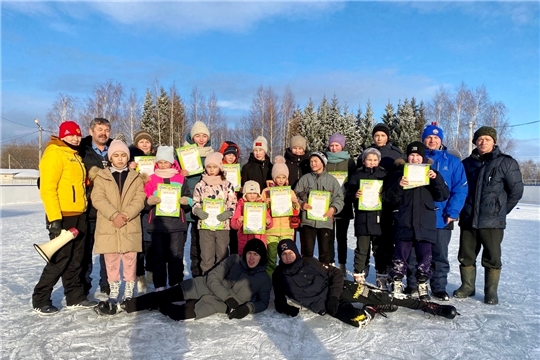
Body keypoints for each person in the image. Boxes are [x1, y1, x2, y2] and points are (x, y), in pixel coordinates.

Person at [272, 239, 458, 328]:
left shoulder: (309, 262)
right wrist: (288, 310)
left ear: (296, 252)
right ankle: (373, 308)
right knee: (358, 321)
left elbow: (336, 273)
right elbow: (280, 299)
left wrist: (334, 296)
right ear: (280, 257)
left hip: (340, 290)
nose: (288, 256)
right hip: (325, 306)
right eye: (284, 254)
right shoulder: (279, 275)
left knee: (387, 296)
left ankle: (426, 306)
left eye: (290, 252)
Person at [95, 239, 272, 322]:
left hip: (216, 304)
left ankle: (158, 306)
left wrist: (247, 308)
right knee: (163, 295)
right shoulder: (234, 259)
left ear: (261, 257)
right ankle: (121, 306)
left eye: (256, 255)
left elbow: (263, 302)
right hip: (200, 286)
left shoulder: (264, 278)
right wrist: (229, 298)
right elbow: (212, 277)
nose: (252, 258)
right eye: (249, 253)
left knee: (178, 314)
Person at [32, 121, 97, 314]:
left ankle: (75, 296)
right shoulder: (54, 153)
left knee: (77, 258)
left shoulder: (74, 154)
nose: (75, 138)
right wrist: (54, 219)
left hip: (79, 213)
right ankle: (40, 298)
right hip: (63, 216)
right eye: (70, 135)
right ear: (62, 136)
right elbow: (47, 189)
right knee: (60, 258)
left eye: (78, 134)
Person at [454, 126, 523, 305]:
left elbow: (516, 191)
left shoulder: (507, 163)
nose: (483, 142)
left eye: (487, 139)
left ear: (494, 141)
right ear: (475, 142)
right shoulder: (467, 164)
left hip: (492, 222)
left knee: (492, 257)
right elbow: (459, 189)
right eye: (480, 139)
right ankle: (467, 286)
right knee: (466, 255)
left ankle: (490, 291)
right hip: (469, 219)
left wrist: (500, 211)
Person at [406, 124, 468, 300]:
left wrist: (453, 211)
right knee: (414, 254)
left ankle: (439, 287)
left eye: (436, 138)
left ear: (441, 140)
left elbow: (460, 188)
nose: (432, 141)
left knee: (439, 255)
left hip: (442, 217)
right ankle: (412, 285)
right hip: (417, 217)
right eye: (428, 137)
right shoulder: (416, 159)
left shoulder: (453, 162)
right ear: (423, 139)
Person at [385, 142, 450, 300]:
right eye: (412, 155)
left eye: (418, 155)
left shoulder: (431, 173)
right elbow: (389, 198)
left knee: (425, 256)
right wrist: (399, 185)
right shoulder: (398, 174)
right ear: (407, 156)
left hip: (425, 223)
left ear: (423, 157)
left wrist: (436, 180)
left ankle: (422, 286)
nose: (414, 158)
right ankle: (397, 282)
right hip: (404, 222)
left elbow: (442, 195)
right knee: (400, 255)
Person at [89, 140, 146, 303]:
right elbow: (98, 198)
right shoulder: (102, 176)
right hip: (109, 224)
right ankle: (113, 288)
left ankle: (129, 288)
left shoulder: (135, 177)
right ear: (110, 158)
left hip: (129, 224)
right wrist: (114, 215)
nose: (120, 159)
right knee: (111, 259)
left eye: (123, 155)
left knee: (130, 258)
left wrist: (126, 215)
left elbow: (139, 199)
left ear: (127, 158)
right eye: (116, 155)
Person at [360, 123, 406, 289]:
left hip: (387, 204)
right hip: (367, 204)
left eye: (382, 135)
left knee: (385, 241)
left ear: (388, 137)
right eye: (376, 135)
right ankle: (362, 272)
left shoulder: (395, 154)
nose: (379, 138)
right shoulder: (366, 153)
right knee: (365, 241)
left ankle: (384, 273)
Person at [144, 146, 192, 291]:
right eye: (161, 162)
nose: (163, 164)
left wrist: (186, 201)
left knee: (176, 256)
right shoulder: (151, 178)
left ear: (172, 162)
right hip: (158, 224)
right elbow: (144, 200)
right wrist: (149, 201)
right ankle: (160, 286)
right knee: (158, 256)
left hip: (177, 224)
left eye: (166, 162)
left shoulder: (180, 178)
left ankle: (176, 284)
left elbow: (189, 198)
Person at [79, 117, 113, 295]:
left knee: (107, 250)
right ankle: (84, 287)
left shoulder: (115, 150)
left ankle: (107, 285)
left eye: (106, 130)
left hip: (110, 210)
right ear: (91, 131)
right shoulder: (82, 151)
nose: (103, 133)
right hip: (89, 210)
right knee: (86, 251)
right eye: (99, 129)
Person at [345, 148, 388, 284]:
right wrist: (355, 195)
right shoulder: (357, 175)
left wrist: (383, 195)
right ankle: (359, 274)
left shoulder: (384, 175)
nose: (372, 162)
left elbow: (390, 195)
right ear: (363, 161)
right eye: (369, 160)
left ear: (379, 161)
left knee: (379, 249)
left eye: (375, 160)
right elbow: (349, 194)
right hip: (362, 218)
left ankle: (381, 276)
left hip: (378, 218)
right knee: (362, 249)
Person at [294, 152, 344, 267]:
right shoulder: (305, 179)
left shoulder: (332, 180)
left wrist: (333, 208)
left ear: (323, 163)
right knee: (307, 250)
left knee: (325, 251)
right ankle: (306, 273)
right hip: (308, 221)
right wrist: (302, 204)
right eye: (311, 161)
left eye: (316, 161)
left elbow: (339, 198)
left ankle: (325, 275)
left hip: (325, 221)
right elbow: (294, 196)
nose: (313, 164)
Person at [192, 152, 237, 274]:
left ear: (220, 168)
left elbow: (233, 203)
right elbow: (195, 201)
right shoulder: (200, 185)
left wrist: (228, 213)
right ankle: (207, 281)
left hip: (223, 226)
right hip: (205, 226)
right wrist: (197, 210)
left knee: (222, 256)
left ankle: (221, 281)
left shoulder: (228, 185)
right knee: (206, 257)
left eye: (215, 167)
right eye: (209, 167)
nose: (211, 170)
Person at [182, 121, 214, 277]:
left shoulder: (212, 155)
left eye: (204, 136)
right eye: (197, 136)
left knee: (198, 243)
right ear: (191, 137)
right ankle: (176, 276)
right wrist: (179, 172)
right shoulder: (182, 154)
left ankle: (198, 275)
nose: (201, 139)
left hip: (204, 205)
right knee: (179, 243)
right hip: (184, 204)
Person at [261, 156, 300, 277]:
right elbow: (259, 212)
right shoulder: (266, 191)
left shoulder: (290, 192)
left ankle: (288, 279)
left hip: (287, 229)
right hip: (271, 231)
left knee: (288, 257)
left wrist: (295, 204)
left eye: (284, 177)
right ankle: (270, 279)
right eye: (278, 177)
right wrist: (265, 204)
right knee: (271, 258)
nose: (281, 180)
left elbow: (296, 212)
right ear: (274, 177)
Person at [128, 129, 156, 294]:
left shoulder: (157, 160)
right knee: (137, 245)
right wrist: (131, 169)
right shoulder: (130, 160)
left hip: (154, 206)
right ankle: (139, 277)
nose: (145, 144)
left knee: (151, 244)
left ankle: (151, 275)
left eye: (147, 141)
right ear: (136, 144)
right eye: (141, 141)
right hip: (136, 206)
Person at [325, 133, 356, 274]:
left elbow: (354, 182)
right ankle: (330, 263)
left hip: (344, 204)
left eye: (336, 145)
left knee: (342, 238)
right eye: (331, 145)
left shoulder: (349, 162)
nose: (334, 148)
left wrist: (348, 191)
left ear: (342, 146)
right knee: (328, 236)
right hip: (327, 205)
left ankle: (342, 265)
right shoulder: (325, 160)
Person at [231, 180, 273, 255]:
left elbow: (270, 223)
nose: (252, 195)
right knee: (244, 261)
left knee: (260, 260)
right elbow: (233, 224)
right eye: (249, 193)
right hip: (244, 240)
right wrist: (239, 221)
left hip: (259, 239)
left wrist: (268, 222)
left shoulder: (261, 206)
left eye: (254, 193)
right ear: (245, 194)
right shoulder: (241, 206)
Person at [218, 140, 242, 255]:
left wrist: (241, 189)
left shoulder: (238, 170)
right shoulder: (219, 169)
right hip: (221, 205)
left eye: (233, 155)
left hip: (235, 204)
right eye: (229, 155)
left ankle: (234, 258)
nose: (231, 157)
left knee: (234, 236)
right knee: (222, 237)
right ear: (224, 155)